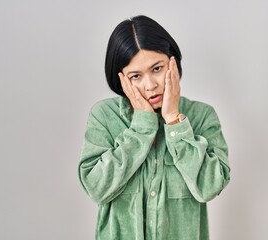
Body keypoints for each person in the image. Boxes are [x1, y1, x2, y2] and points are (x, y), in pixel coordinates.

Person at [78, 15, 230, 240]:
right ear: (121, 79)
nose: (150, 86)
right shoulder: (104, 117)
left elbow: (210, 186)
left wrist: (173, 120)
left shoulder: (201, 116)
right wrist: (142, 126)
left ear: (173, 63)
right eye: (136, 76)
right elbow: (96, 188)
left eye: (157, 69)